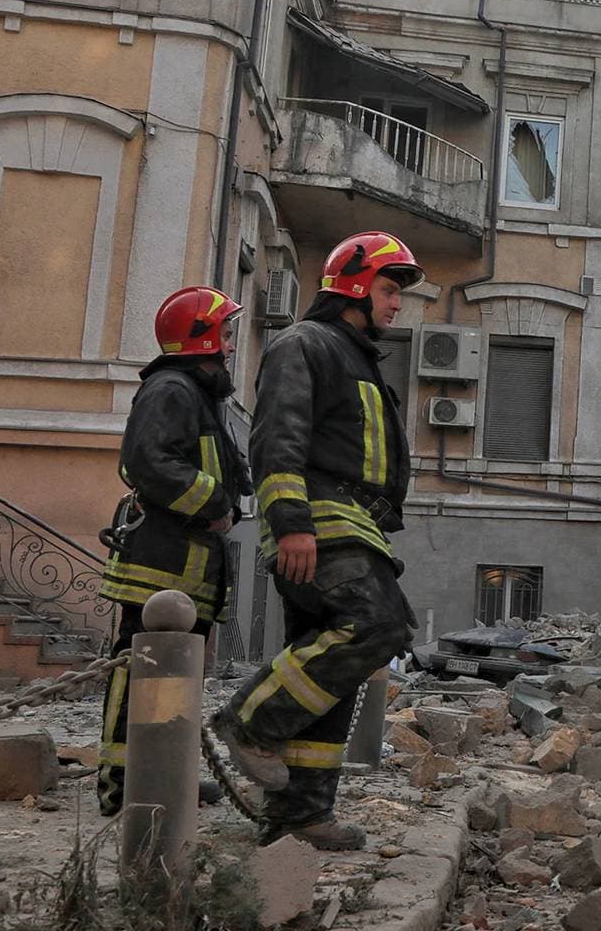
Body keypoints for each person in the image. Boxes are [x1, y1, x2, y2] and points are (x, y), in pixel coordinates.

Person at [210, 230, 422, 850]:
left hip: (352, 522)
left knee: (329, 673)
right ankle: (250, 721)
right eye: (388, 289)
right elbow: (278, 439)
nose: (397, 304)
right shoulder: (305, 343)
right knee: (379, 626)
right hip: (323, 520)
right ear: (354, 286)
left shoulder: (355, 356)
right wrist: (292, 524)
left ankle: (299, 814)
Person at [96, 286, 252, 816]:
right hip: (160, 563)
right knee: (140, 669)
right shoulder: (171, 389)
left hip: (186, 565)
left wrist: (230, 500)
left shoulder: (197, 395)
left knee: (176, 676)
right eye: (225, 334)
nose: (231, 345)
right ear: (200, 337)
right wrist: (215, 504)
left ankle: (164, 775)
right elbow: (148, 463)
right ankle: (122, 784)